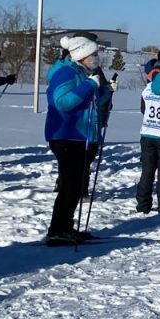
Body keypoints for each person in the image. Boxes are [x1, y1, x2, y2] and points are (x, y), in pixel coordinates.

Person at [43, 36, 107, 245]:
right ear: (81, 55)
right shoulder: (66, 73)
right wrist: (89, 85)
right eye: (94, 54)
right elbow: (63, 102)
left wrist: (104, 89)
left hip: (80, 136)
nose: (97, 58)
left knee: (75, 185)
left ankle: (66, 226)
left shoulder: (83, 72)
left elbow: (92, 101)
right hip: (66, 135)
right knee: (69, 186)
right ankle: (57, 230)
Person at [136, 58, 160, 214]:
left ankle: (143, 204)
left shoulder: (148, 88)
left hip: (147, 133)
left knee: (147, 171)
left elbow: (143, 109)